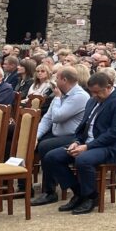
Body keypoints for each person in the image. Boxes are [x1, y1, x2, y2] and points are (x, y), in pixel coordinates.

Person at [40, 71, 116, 215]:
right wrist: (77, 141)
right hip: (88, 143)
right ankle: (79, 193)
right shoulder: (92, 100)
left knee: (83, 159)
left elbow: (115, 133)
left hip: (111, 147)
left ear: (108, 87)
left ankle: (91, 197)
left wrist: (87, 147)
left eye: (97, 92)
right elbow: (83, 126)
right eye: (92, 92)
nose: (94, 96)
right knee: (52, 157)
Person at [31, 66, 91, 203]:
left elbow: (57, 117)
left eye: (56, 77)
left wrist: (57, 98)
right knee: (34, 142)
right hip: (58, 134)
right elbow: (47, 118)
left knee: (45, 146)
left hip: (74, 136)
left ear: (64, 80)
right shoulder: (62, 94)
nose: (54, 80)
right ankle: (26, 185)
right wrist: (36, 136)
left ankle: (49, 191)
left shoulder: (80, 96)